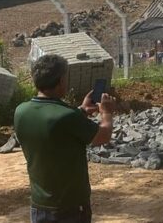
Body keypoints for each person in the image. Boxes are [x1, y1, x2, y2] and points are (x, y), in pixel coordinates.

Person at [14, 54, 116, 223]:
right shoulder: (67, 117)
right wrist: (107, 112)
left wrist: (81, 111)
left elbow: (51, 122)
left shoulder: (21, 111)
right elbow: (103, 136)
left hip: (39, 206)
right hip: (69, 208)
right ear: (61, 80)